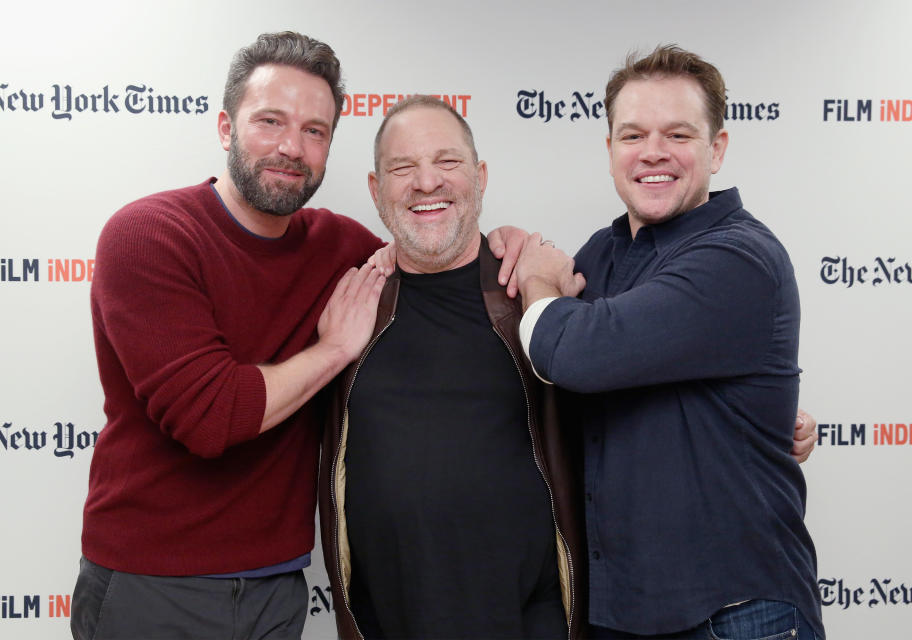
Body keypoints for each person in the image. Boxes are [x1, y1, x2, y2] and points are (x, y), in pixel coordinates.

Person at [70, 32, 389, 640]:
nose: (291, 148)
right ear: (225, 127)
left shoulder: (340, 246)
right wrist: (333, 350)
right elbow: (209, 416)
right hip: (152, 584)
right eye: (270, 121)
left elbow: (434, 268)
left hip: (277, 584)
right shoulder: (148, 234)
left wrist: (517, 248)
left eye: (315, 131)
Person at [514, 45, 824, 639]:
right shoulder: (602, 255)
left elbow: (576, 351)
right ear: (610, 151)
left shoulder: (739, 258)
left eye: (677, 133)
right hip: (621, 613)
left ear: (717, 148)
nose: (652, 152)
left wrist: (534, 277)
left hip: (737, 615)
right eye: (632, 135)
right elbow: (560, 381)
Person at [319, 96, 586, 640]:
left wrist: (754, 419)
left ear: (480, 177)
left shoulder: (534, 301)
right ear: (375, 190)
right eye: (402, 168)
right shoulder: (350, 306)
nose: (426, 183)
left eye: (447, 162)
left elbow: (635, 405)